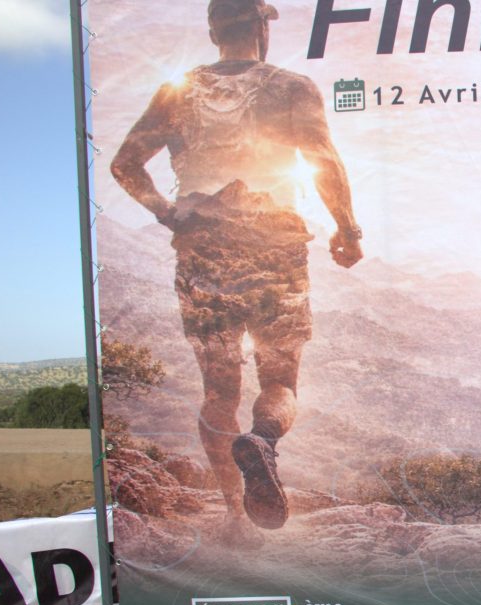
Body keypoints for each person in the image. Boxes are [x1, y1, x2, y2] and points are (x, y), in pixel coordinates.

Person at [110, 0, 362, 545]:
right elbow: (324, 160)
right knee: (279, 380)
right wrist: (347, 230)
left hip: (203, 250)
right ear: (261, 29)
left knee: (218, 391)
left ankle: (233, 514)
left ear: (212, 31)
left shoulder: (177, 92)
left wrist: (167, 212)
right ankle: (263, 439)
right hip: (275, 244)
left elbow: (124, 164)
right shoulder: (291, 86)